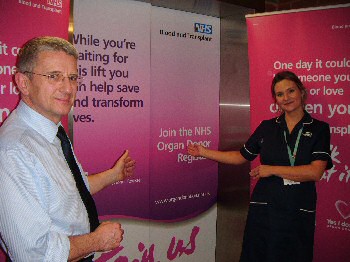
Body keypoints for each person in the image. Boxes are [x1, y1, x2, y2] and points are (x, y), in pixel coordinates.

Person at [0, 36, 136, 261]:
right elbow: (34, 255)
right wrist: (96, 240)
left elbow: (70, 190)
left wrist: (113, 175)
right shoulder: (13, 151)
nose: (67, 88)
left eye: (72, 78)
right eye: (54, 76)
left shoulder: (52, 132)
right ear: (23, 83)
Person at [188, 70, 333, 262]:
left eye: (291, 91)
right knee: (258, 254)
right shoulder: (267, 127)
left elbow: (315, 172)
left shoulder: (318, 128)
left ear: (302, 92)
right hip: (265, 207)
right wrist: (203, 152)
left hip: (297, 206)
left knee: (294, 254)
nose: (286, 98)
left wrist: (271, 169)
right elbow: (241, 156)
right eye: (280, 94)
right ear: (275, 99)